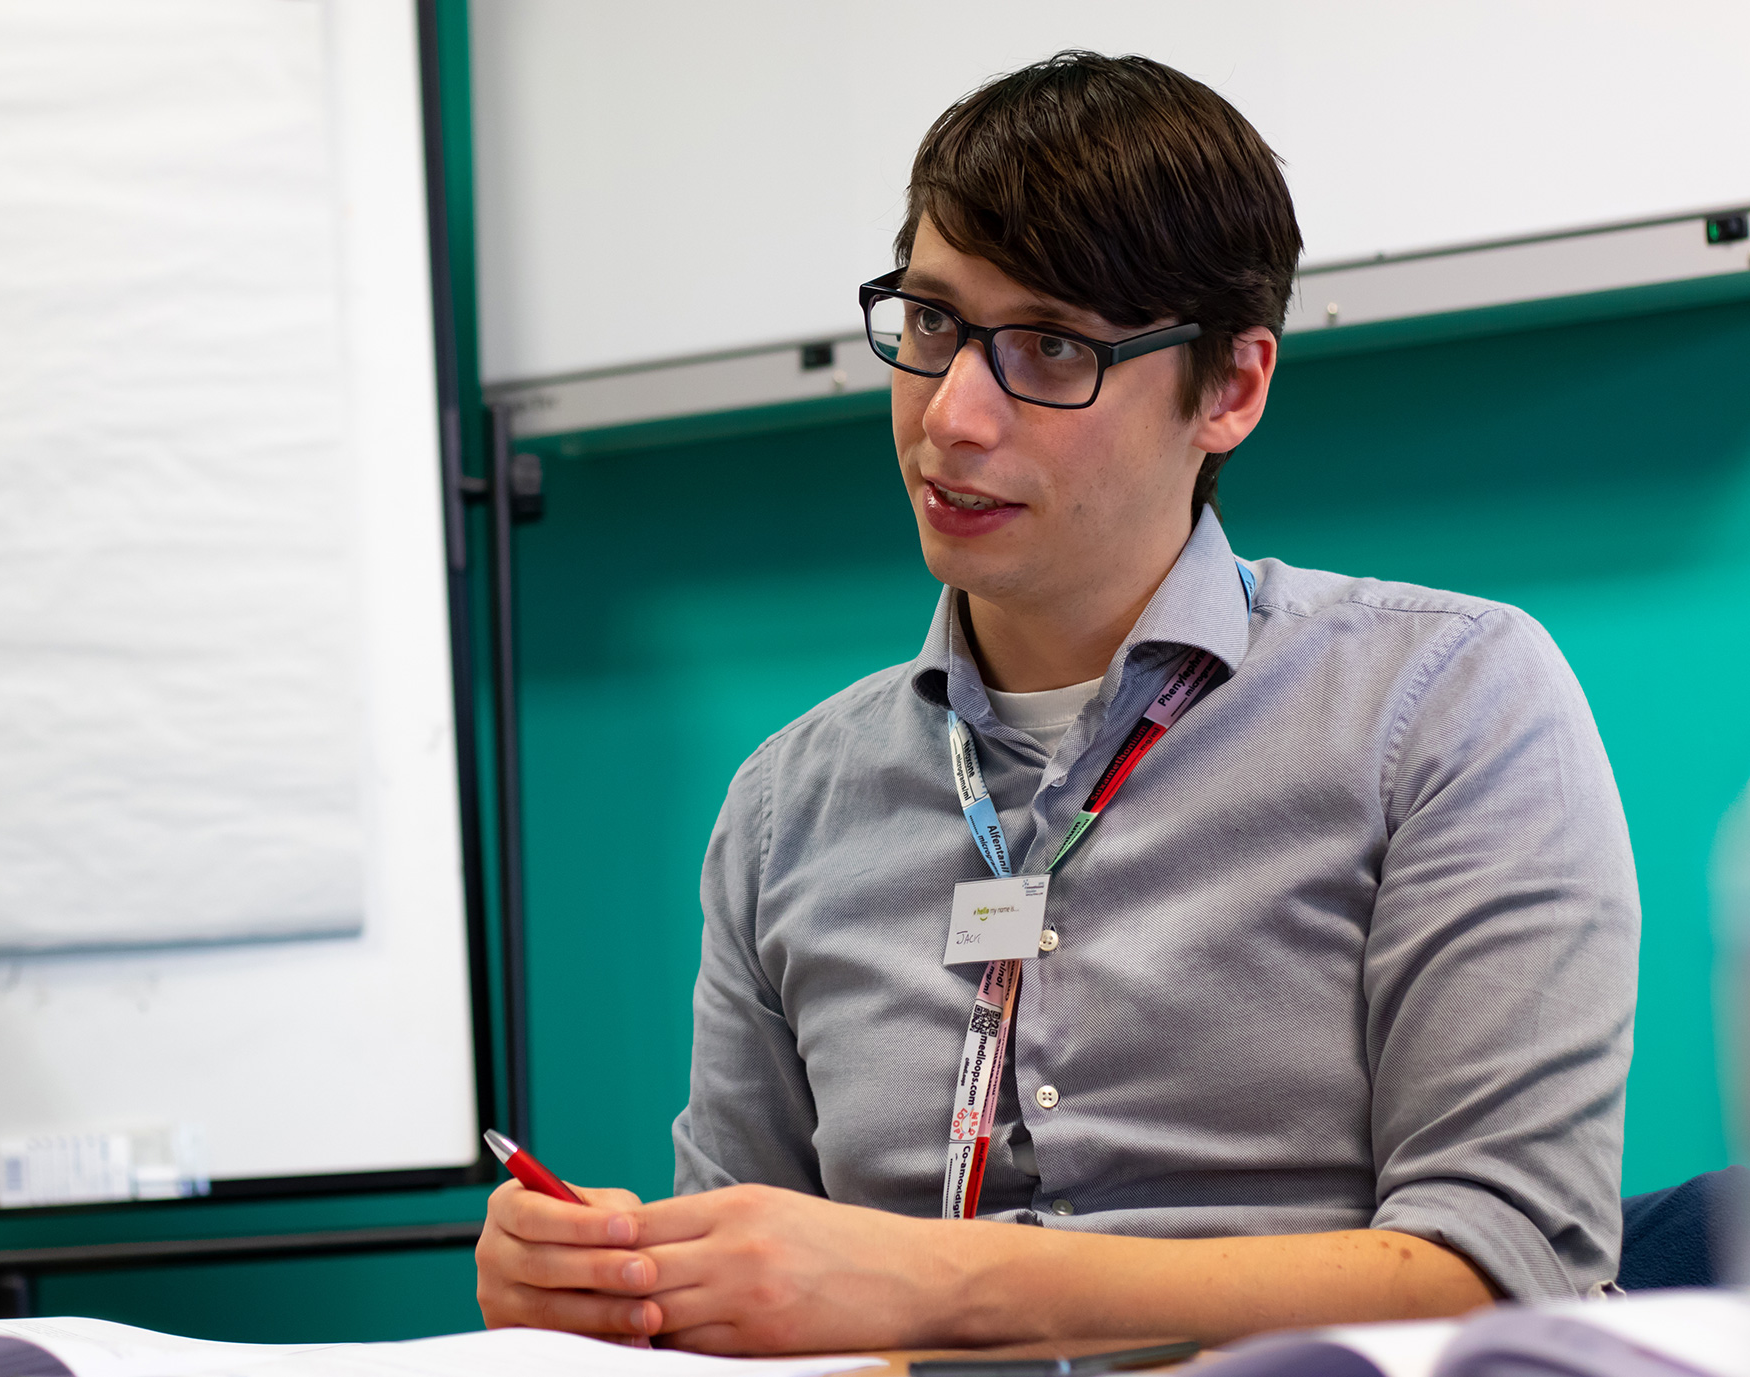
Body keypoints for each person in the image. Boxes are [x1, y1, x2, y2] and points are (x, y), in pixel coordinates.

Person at [474, 51, 1639, 1353]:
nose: (951, 417)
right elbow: (750, 1312)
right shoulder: (782, 811)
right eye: (928, 324)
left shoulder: (1443, 706)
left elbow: (1505, 1272)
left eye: (1048, 348)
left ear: (1233, 387)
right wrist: (620, 1290)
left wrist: (937, 1282)